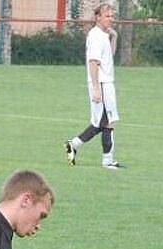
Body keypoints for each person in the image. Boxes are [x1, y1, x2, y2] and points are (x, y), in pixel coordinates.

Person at [65, 3, 123, 170]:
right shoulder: (96, 36)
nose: (110, 19)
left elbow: (109, 56)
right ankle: (107, 160)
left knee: (103, 122)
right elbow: (93, 63)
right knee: (107, 122)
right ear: (97, 17)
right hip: (102, 84)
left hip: (107, 83)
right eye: (107, 16)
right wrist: (96, 88)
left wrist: (114, 37)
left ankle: (73, 145)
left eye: (112, 16)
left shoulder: (103, 35)